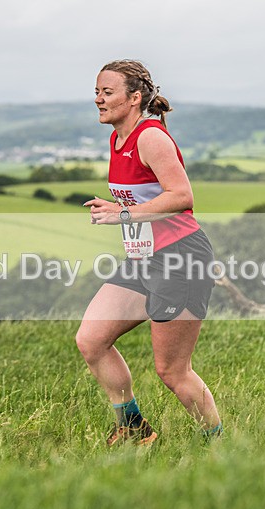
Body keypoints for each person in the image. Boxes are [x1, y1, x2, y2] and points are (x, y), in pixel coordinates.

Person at [77, 59, 222, 446]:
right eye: (96, 92)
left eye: (107, 92)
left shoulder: (150, 137)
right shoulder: (117, 138)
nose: (98, 100)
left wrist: (122, 212)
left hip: (180, 258)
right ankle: (135, 429)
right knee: (91, 340)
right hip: (143, 259)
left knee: (172, 371)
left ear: (134, 97)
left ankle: (220, 447)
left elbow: (182, 197)